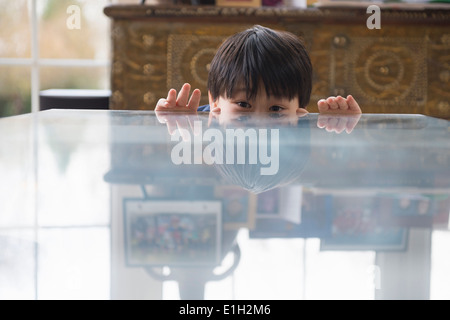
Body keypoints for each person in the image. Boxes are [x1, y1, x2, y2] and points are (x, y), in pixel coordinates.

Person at [155, 25, 361, 126]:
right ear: (214, 101)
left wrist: (346, 125)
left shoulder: (297, 134)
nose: (259, 122)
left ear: (300, 112)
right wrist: (174, 123)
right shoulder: (200, 124)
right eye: (244, 105)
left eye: (275, 109)